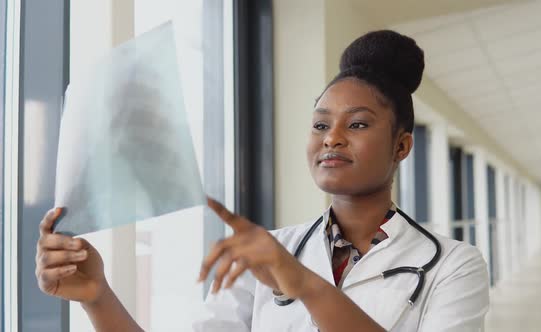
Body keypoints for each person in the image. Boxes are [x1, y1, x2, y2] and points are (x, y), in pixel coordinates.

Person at [35, 30, 489, 331]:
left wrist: (305, 285)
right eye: (319, 125)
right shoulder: (267, 253)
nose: (331, 138)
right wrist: (97, 297)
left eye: (357, 125)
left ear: (402, 146)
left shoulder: (454, 265)